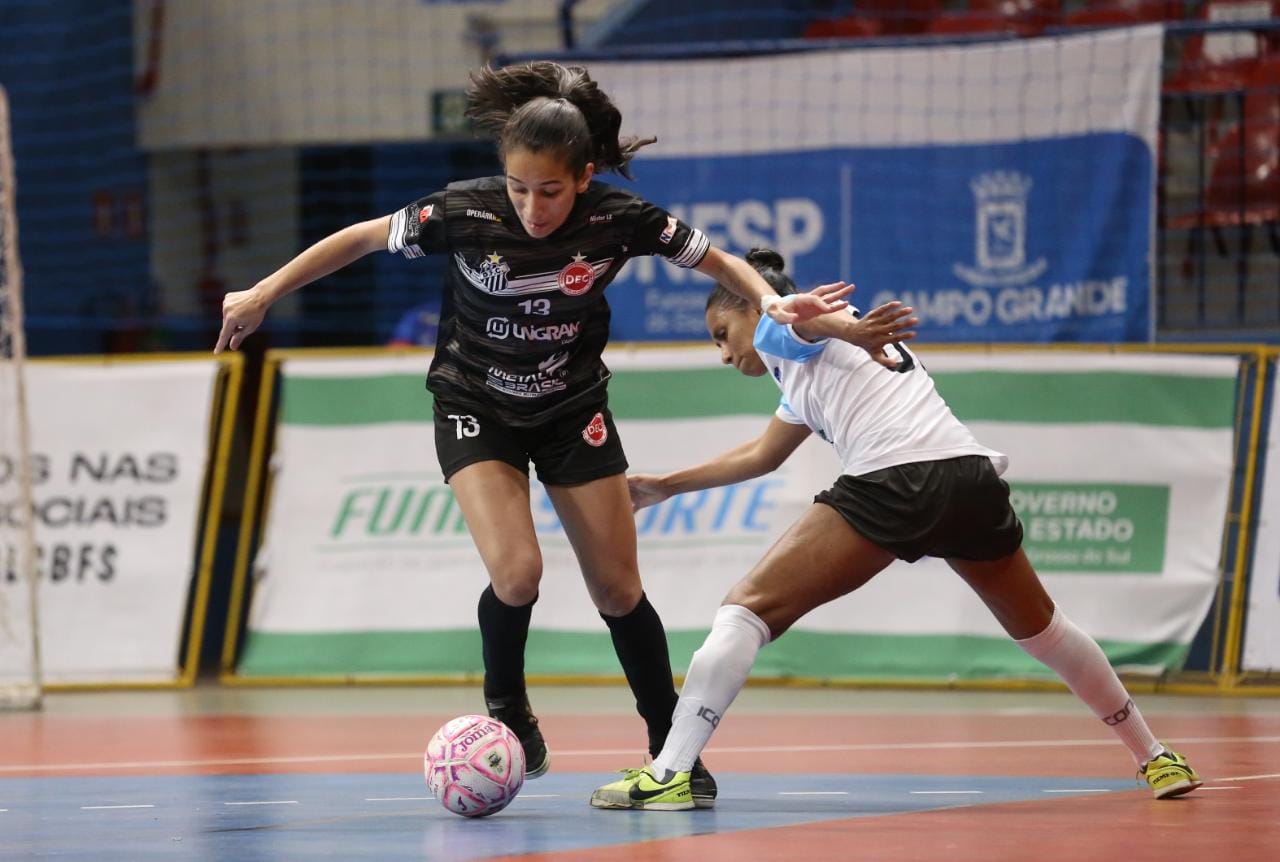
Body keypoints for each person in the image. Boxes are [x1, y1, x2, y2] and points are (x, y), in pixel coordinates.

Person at [213, 62, 904, 806]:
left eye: (549, 191)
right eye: (518, 189)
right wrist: (261, 293)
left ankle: (673, 755)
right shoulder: (464, 212)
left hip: (572, 408)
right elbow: (358, 239)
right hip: (476, 405)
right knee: (518, 574)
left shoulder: (620, 219)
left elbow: (717, 258)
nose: (532, 208)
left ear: (580, 178)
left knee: (617, 588)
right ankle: (507, 705)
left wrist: (769, 302)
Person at [590, 248, 1202, 810]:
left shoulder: (783, 324)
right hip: (969, 480)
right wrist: (663, 485)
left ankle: (669, 771)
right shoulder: (802, 375)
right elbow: (762, 456)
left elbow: (797, 323)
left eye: (722, 336)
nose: (724, 355)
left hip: (896, 479)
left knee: (743, 613)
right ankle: (1155, 756)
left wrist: (844, 328)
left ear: (750, 307)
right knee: (1045, 631)